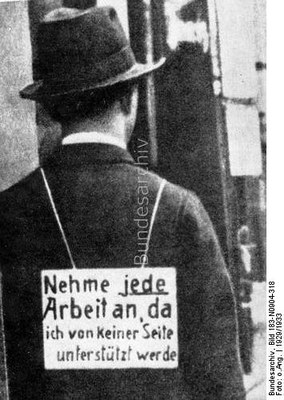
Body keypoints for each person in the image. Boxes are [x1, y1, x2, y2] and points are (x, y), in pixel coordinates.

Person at [0, 5, 246, 400]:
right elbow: (220, 385)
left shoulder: (9, 213)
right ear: (131, 99)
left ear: (48, 108)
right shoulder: (179, 211)